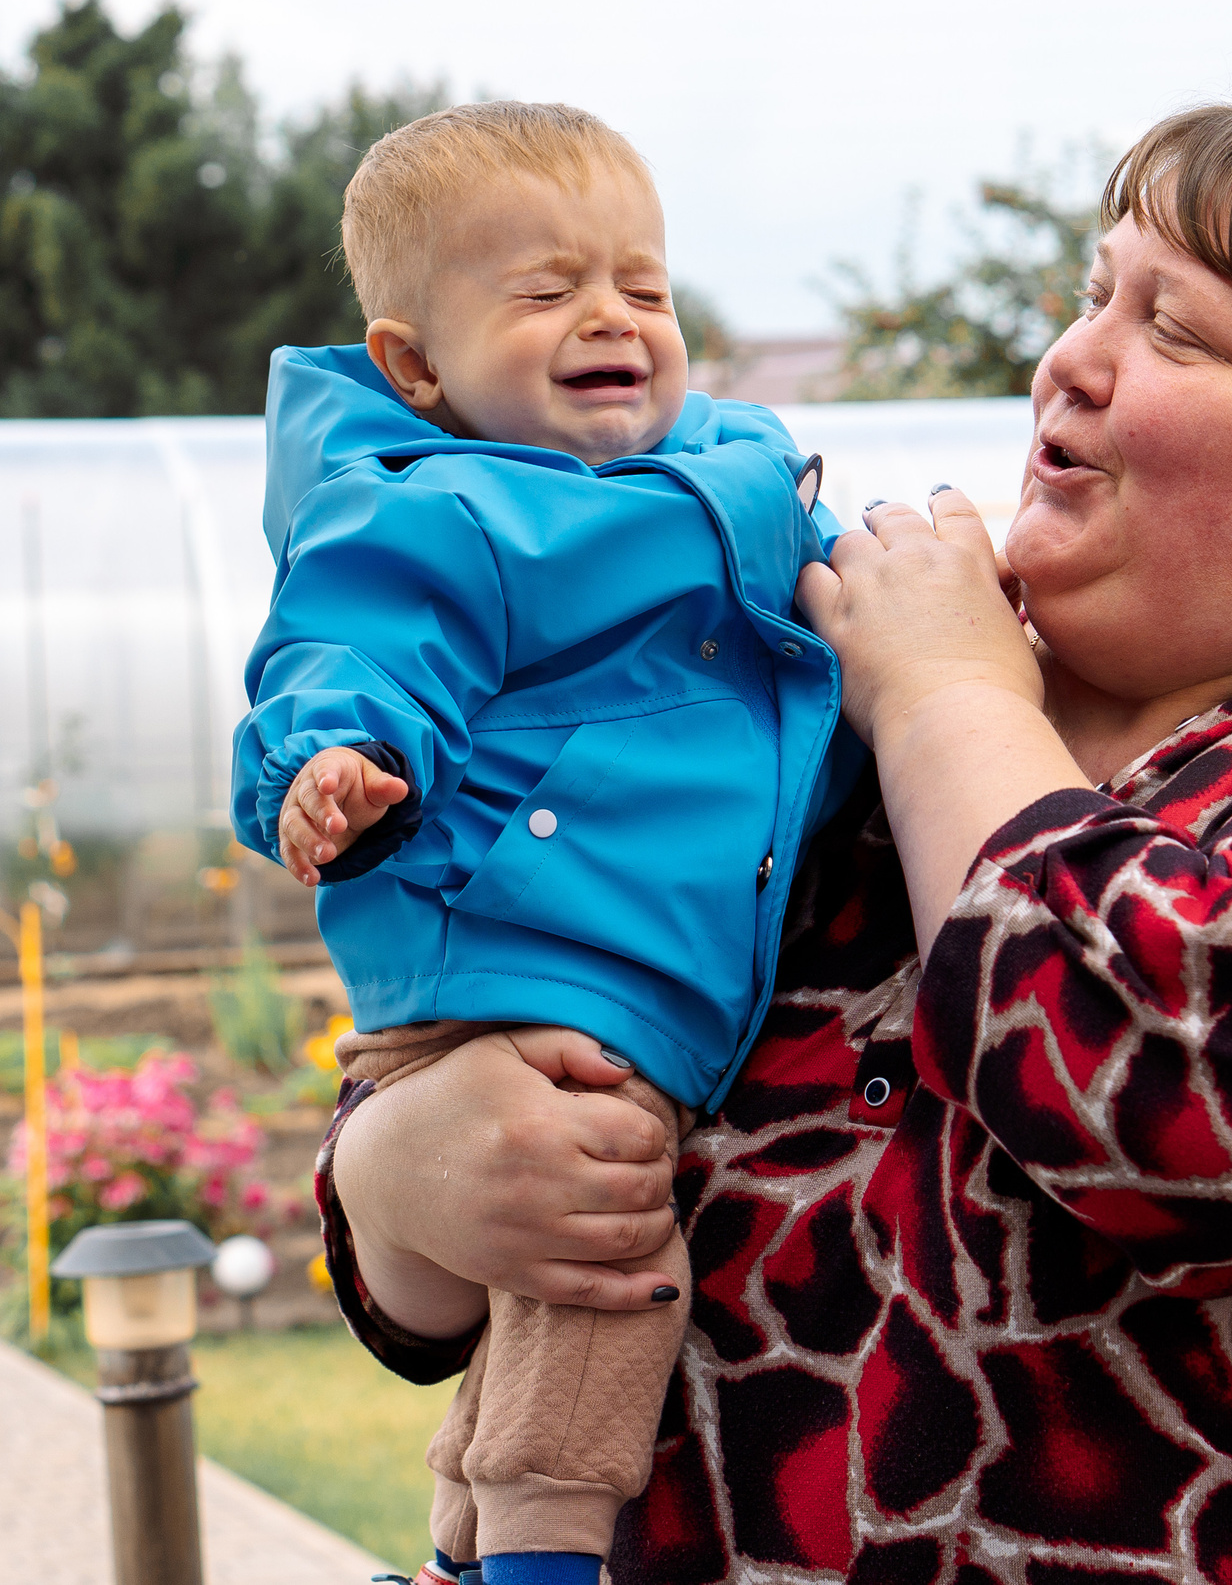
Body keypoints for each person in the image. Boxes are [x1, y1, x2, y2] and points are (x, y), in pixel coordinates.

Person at [318, 90, 1232, 1584]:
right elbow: (502, 1060)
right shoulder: (836, 762)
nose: (1073, 360)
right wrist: (404, 1180)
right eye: (1094, 296)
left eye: (1176, 329)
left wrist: (945, 696)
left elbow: (1171, 1100)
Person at [232, 101, 857, 1585]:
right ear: (415, 366)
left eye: (644, 286)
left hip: (630, 950)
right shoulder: (434, 510)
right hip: (526, 952)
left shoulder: (742, 482)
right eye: (546, 290)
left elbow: (842, 618)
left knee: (554, 1258)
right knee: (606, 1250)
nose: (612, 317)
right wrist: (337, 763)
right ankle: (542, 1558)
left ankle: (464, 1548)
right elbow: (349, 650)